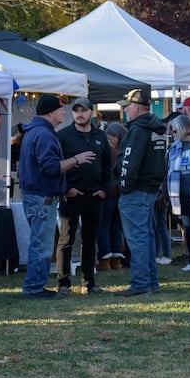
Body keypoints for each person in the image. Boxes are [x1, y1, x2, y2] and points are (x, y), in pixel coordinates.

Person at [17, 94, 89, 298]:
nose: (64, 112)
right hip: (42, 198)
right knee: (41, 245)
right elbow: (50, 167)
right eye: (60, 109)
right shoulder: (44, 134)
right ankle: (33, 288)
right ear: (50, 112)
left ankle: (35, 285)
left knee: (39, 242)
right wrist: (76, 159)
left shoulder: (34, 132)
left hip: (35, 196)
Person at [56, 98, 111, 294]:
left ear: (91, 112)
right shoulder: (63, 136)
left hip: (94, 196)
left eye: (83, 110)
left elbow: (107, 166)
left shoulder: (101, 136)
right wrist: (66, 189)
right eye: (76, 110)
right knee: (66, 239)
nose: (79, 114)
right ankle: (63, 283)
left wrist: (105, 189)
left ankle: (89, 282)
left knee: (90, 239)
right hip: (71, 195)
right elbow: (57, 167)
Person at [116, 88, 168, 297]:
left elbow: (129, 162)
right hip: (150, 189)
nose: (126, 111)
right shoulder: (155, 128)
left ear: (136, 107)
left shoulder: (137, 130)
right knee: (146, 236)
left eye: (127, 106)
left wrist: (124, 185)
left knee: (137, 238)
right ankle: (150, 281)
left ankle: (140, 283)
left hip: (136, 191)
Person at [165, 114, 190, 271]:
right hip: (181, 192)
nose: (173, 134)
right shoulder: (174, 147)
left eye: (174, 131)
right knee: (187, 226)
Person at [97, 121, 127, 270]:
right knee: (116, 227)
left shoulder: (108, 151)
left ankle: (105, 258)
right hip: (119, 193)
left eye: (111, 137)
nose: (109, 140)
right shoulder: (124, 151)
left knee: (104, 225)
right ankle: (116, 259)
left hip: (108, 193)